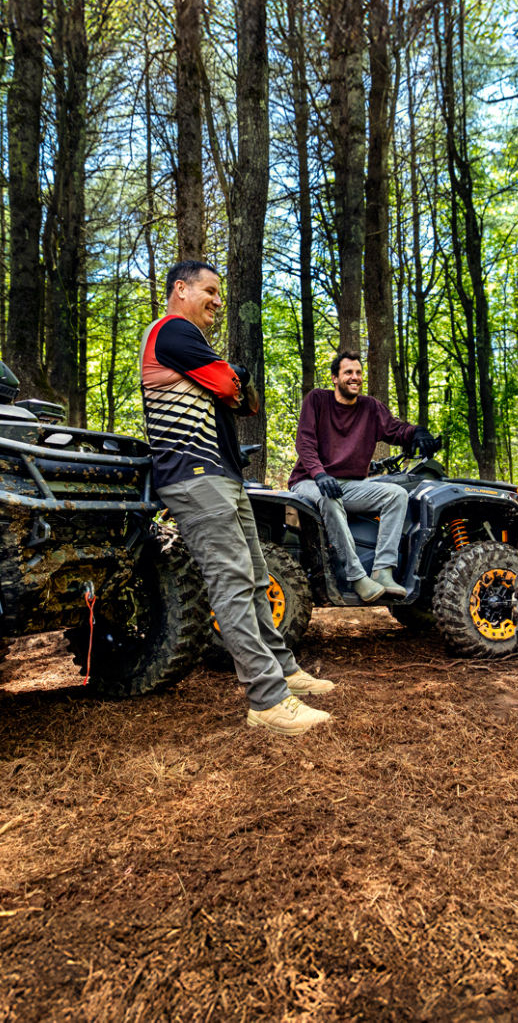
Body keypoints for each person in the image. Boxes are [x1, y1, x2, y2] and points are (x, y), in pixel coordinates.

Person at [141, 260, 334, 736]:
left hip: (223, 475)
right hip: (193, 476)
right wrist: (230, 380)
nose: (218, 300)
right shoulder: (172, 331)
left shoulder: (195, 346)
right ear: (181, 289)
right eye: (209, 290)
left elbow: (248, 403)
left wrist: (232, 381)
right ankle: (267, 700)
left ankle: (285, 670)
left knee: (255, 578)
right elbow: (230, 386)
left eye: (219, 292)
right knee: (231, 583)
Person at [287, 351, 440, 602]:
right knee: (329, 499)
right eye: (348, 372)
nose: (355, 377)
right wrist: (319, 474)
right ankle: (356, 576)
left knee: (396, 495)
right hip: (309, 481)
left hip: (349, 485)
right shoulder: (317, 399)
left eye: (358, 372)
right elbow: (305, 442)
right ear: (335, 378)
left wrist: (418, 433)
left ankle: (383, 571)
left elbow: (396, 429)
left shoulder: (370, 407)